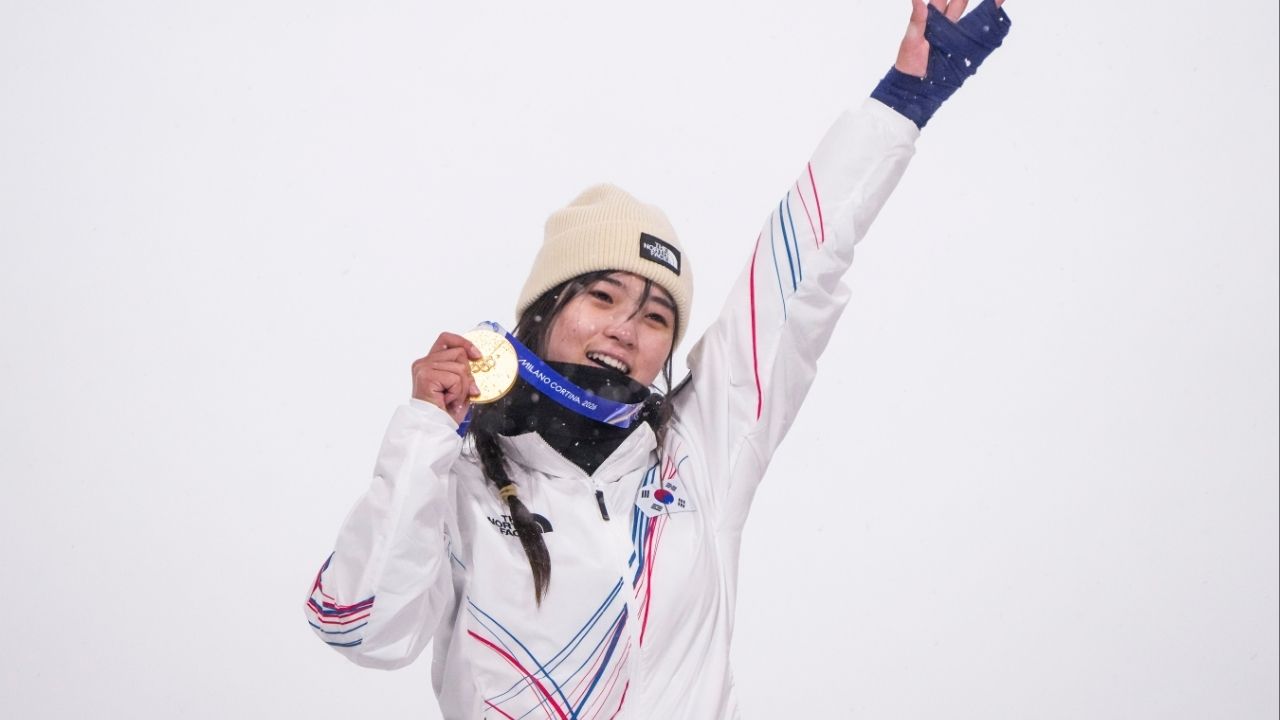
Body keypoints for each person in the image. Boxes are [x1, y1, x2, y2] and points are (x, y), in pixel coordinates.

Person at [304, 1, 1011, 717]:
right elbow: (359, 628)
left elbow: (796, 277)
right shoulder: (460, 478)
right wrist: (425, 433)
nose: (625, 329)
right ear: (544, 309)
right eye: (602, 296)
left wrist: (904, 100)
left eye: (656, 315)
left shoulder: (702, 452)